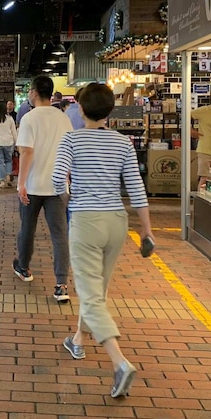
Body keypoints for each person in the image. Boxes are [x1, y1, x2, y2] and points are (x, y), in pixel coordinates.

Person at [52, 82, 154, 399]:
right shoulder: (123, 143)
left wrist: (71, 201)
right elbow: (136, 189)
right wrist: (147, 231)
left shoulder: (72, 139)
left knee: (90, 293)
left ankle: (120, 362)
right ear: (110, 111)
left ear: (80, 109)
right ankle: (78, 340)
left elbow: (58, 179)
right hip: (117, 222)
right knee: (99, 288)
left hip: (86, 219)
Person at [13, 76, 72, 303]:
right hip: (57, 186)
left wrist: (21, 183)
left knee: (28, 228)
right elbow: (68, 150)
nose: (29, 93)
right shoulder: (62, 118)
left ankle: (24, 268)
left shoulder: (29, 118)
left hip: (33, 185)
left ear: (35, 92)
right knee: (59, 234)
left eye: (30, 90)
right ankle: (61, 284)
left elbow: (26, 152)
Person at [0, 100, 17, 189]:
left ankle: (2, 181)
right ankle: (8, 178)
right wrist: (16, 142)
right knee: (8, 161)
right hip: (9, 142)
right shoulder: (10, 118)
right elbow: (14, 132)